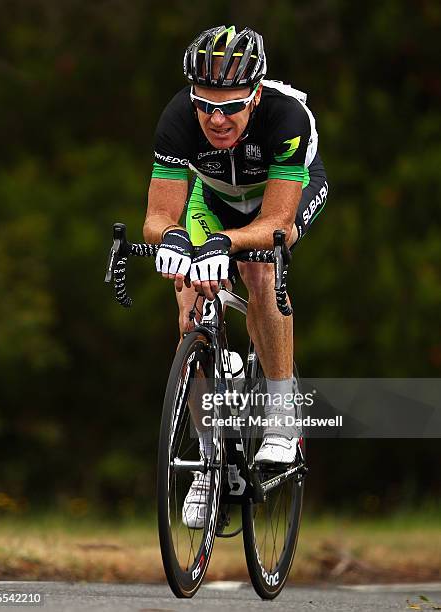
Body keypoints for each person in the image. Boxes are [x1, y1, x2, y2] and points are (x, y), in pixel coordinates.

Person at [143, 25, 328, 527]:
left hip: (280, 198)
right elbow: (158, 219)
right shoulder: (178, 117)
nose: (216, 118)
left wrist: (226, 243)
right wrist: (178, 241)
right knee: (190, 293)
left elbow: (275, 224)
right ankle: (208, 459)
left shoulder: (288, 117)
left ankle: (282, 411)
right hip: (216, 200)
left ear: (257, 94)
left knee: (258, 269)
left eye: (231, 106)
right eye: (206, 105)